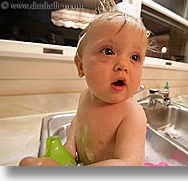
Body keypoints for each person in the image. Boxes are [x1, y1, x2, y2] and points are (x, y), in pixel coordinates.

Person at [19, 11, 148, 166]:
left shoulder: (132, 114)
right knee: (26, 163)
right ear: (81, 66)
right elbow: (79, 122)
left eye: (135, 57)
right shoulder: (86, 95)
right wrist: (69, 147)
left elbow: (128, 165)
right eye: (108, 51)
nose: (123, 65)